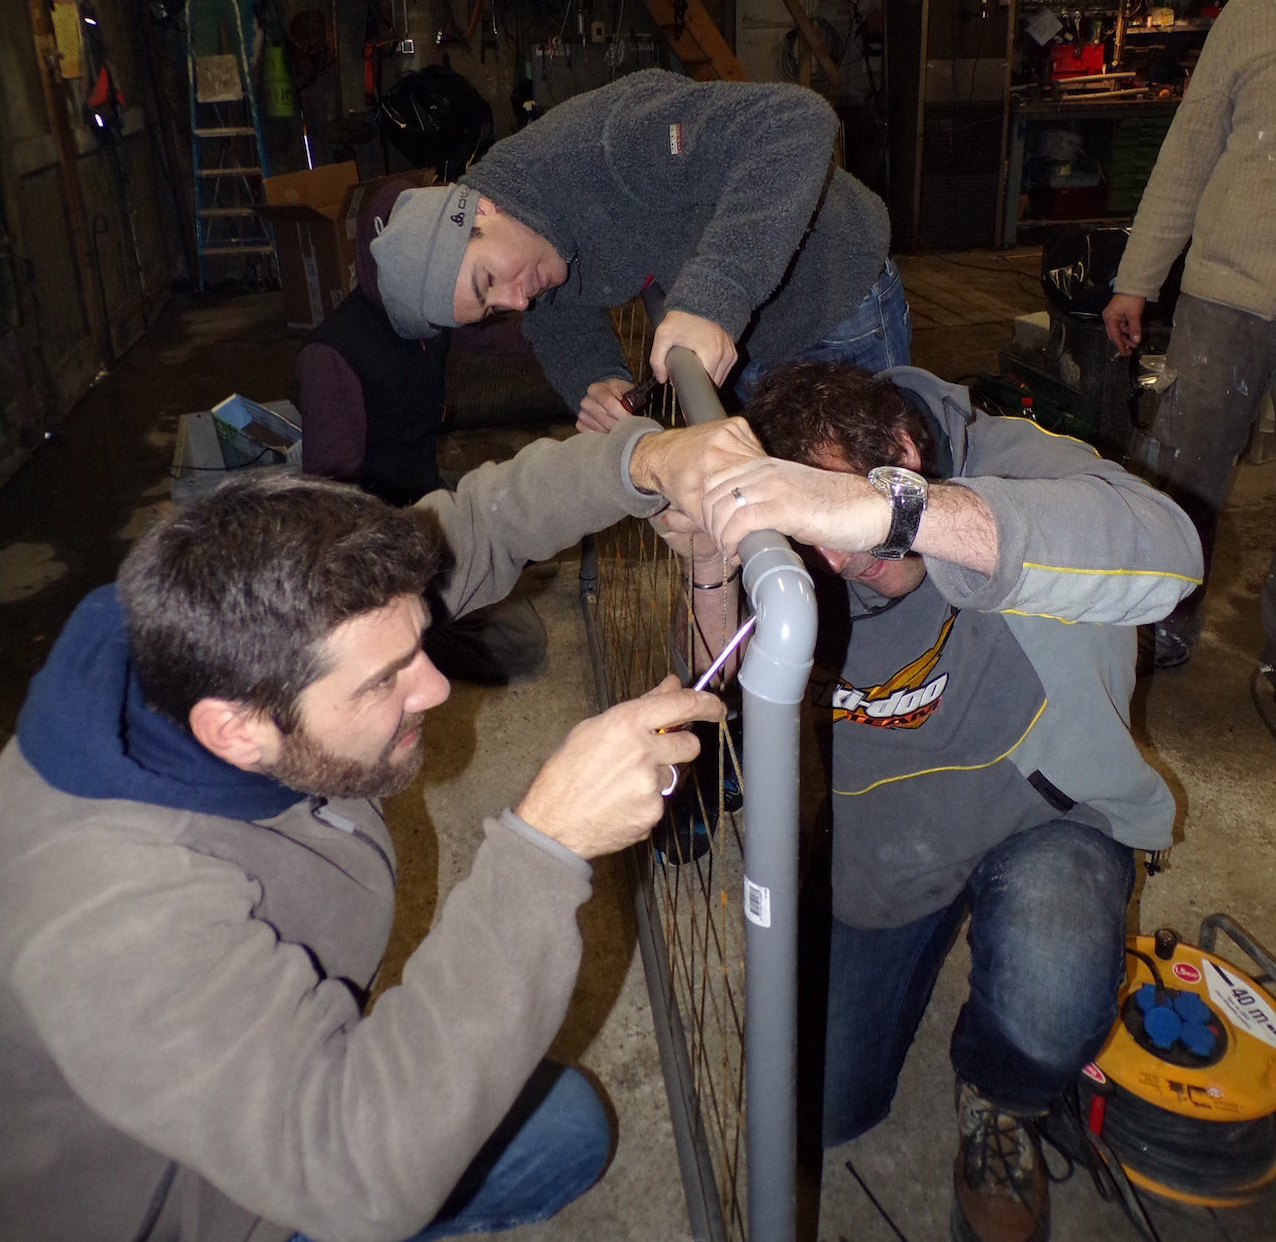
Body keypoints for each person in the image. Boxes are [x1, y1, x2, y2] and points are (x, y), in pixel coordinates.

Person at [0, 422, 724, 1242]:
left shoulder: (242, 639)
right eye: (386, 680)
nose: (438, 687)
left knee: (566, 1128)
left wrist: (643, 461)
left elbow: (478, 525)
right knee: (458, 1149)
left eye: (415, 646)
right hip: (202, 1206)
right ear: (237, 730)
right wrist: (546, 843)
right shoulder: (107, 918)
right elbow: (352, 1168)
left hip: (251, 1091)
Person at [635, 359, 1200, 1242]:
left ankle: (1001, 1096)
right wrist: (711, 552)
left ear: (903, 448)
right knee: (822, 1110)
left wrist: (897, 515)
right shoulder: (805, 556)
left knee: (1051, 995)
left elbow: (1172, 557)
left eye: (837, 524)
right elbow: (718, 682)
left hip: (1046, 813)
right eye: (814, 536)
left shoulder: (1002, 458)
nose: (833, 563)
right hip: (894, 843)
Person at [367, 70, 906, 434]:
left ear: (482, 209)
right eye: (492, 309)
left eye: (488, 283)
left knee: (881, 514)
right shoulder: (523, 223)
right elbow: (556, 311)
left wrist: (715, 297)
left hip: (835, 298)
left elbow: (794, 121)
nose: (517, 302)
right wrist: (598, 378)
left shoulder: (614, 144)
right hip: (742, 335)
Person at [1102, 0, 1276, 695]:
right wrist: (1136, 279)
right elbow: (1187, 155)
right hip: (1225, 294)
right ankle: (1163, 619)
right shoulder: (1250, 16)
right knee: (1183, 473)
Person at [296, 173, 547, 684]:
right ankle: (415, 635)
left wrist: (576, 330)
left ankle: (470, 575)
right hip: (384, 535)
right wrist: (391, 589)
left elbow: (509, 340)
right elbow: (327, 506)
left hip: (426, 491)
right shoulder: (332, 357)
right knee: (520, 645)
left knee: (529, 505)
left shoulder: (431, 314)